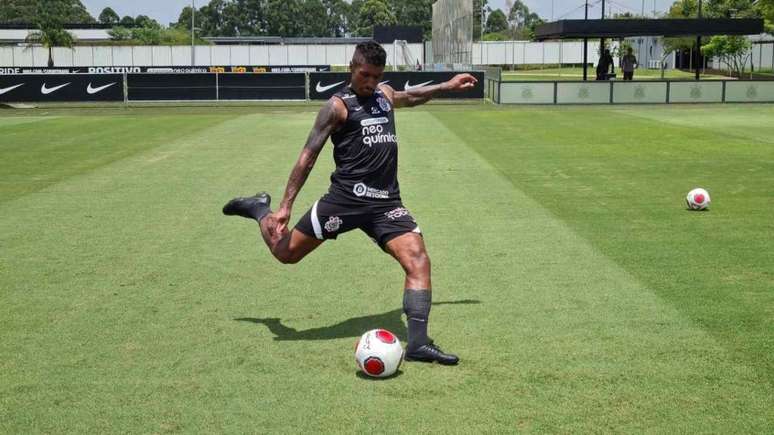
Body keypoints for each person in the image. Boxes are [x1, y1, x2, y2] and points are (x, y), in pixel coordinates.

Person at [223, 41, 477, 366]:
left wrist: (447, 85)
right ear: (352, 67)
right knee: (285, 253)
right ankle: (259, 207)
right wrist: (285, 205)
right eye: (365, 74)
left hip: (386, 203)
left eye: (376, 76)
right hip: (344, 201)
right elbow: (308, 156)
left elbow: (411, 97)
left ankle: (417, 344)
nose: (370, 82)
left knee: (418, 260)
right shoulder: (337, 106)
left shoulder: (384, 95)